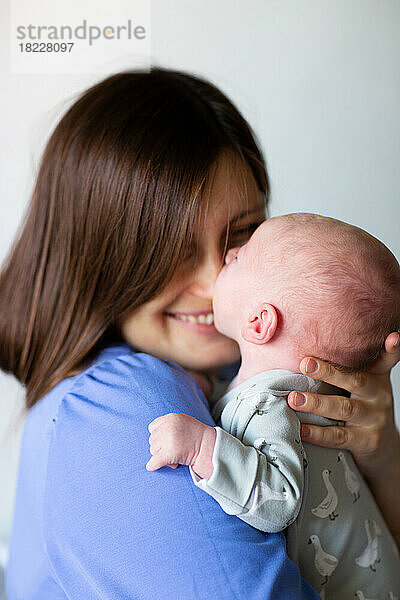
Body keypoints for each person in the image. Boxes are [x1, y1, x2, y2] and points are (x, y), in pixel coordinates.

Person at [0, 68, 399, 599]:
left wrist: (381, 454)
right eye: (174, 250)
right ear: (97, 255)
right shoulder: (119, 401)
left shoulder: (246, 374)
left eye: (240, 237)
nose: (215, 282)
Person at [146, 213, 400, 598]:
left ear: (260, 322)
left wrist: (202, 446)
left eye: (241, 254)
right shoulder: (319, 394)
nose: (227, 256)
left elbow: (279, 501)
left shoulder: (271, 404)